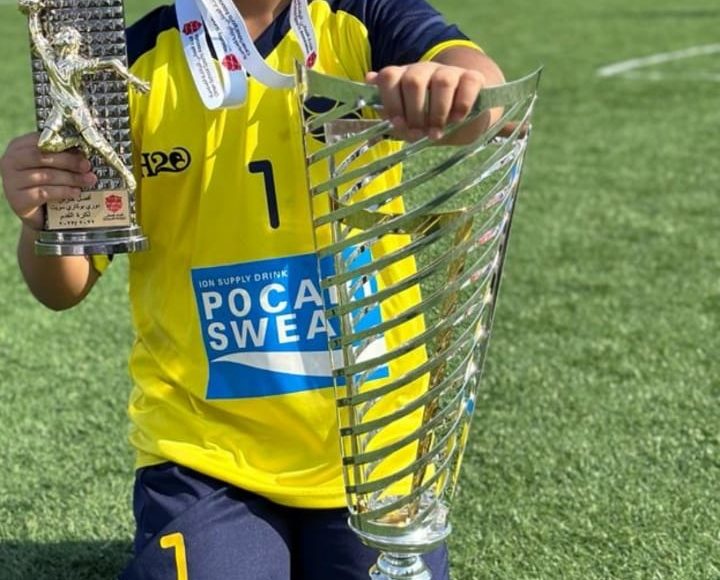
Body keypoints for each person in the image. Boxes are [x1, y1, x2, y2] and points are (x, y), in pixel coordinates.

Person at [1, 0, 505, 578]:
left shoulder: (366, 19)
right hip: (205, 454)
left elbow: (489, 100)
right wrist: (43, 218)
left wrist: (451, 86)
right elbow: (62, 287)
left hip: (372, 449)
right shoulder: (125, 66)